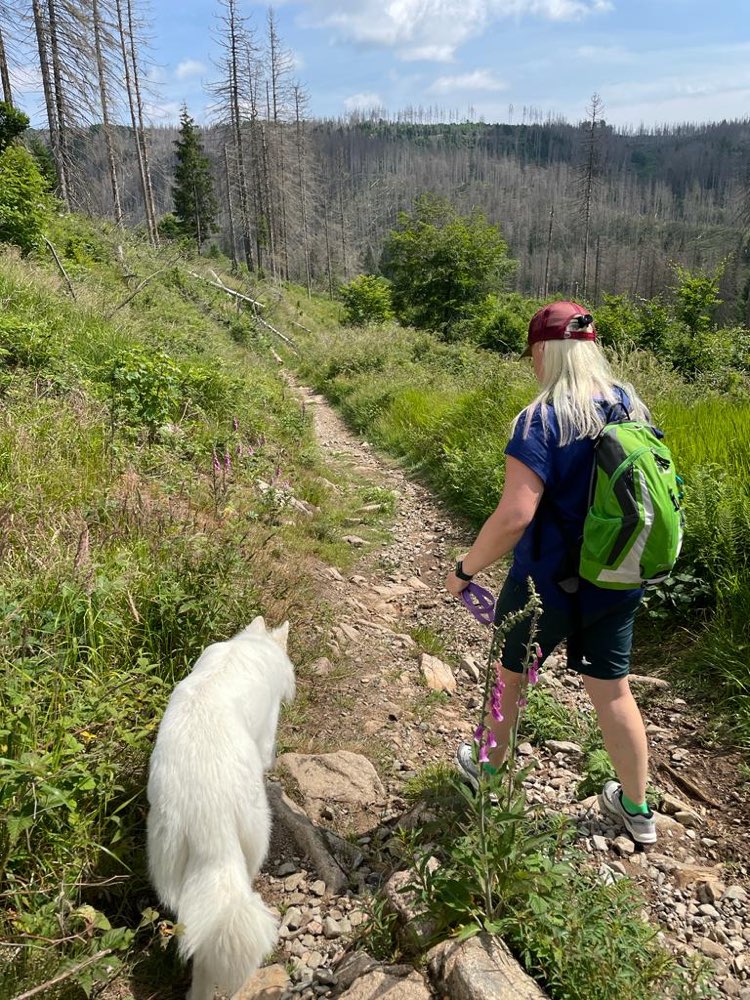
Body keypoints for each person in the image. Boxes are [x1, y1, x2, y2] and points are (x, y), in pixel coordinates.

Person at [446, 300, 656, 845]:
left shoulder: (540, 418)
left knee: (509, 677)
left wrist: (466, 569)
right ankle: (637, 809)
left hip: (546, 582)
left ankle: (487, 774)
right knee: (612, 690)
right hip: (616, 575)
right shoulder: (631, 404)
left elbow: (517, 515)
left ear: (542, 351)